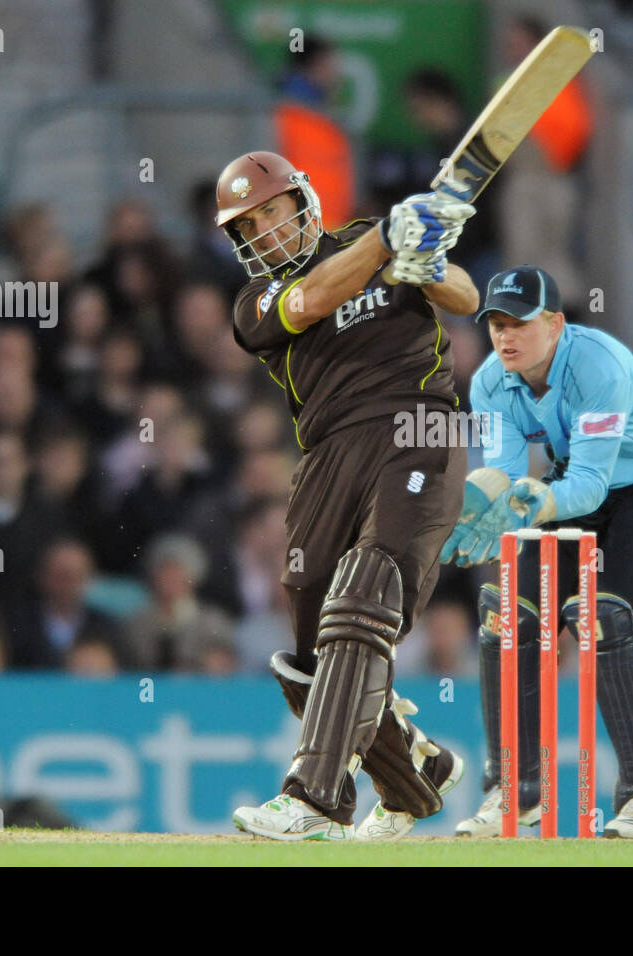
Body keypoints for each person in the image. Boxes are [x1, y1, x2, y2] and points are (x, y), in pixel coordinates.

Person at [217, 150, 479, 840]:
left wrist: (424, 262)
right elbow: (310, 299)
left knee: (366, 591)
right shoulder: (255, 302)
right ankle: (416, 775)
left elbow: (467, 299)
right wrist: (387, 241)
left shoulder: (369, 241)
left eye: (270, 212)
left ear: (303, 202)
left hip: (416, 424)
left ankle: (315, 800)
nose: (263, 232)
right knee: (308, 657)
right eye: (247, 227)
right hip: (328, 453)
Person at [441, 265, 633, 839]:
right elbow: (504, 474)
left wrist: (529, 501)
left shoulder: (597, 366)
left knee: (605, 614)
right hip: (567, 489)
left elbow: (589, 484)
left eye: (521, 324)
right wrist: (472, 505)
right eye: (497, 324)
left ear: (556, 324)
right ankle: (515, 791)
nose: (506, 337)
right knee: (505, 615)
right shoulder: (490, 382)